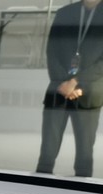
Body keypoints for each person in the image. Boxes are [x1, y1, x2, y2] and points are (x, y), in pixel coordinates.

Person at [35, 0, 103, 178]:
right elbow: (52, 50)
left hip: (89, 90)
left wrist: (76, 82)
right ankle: (40, 182)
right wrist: (63, 82)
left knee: (84, 150)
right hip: (59, 88)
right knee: (48, 147)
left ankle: (82, 185)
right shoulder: (65, 13)